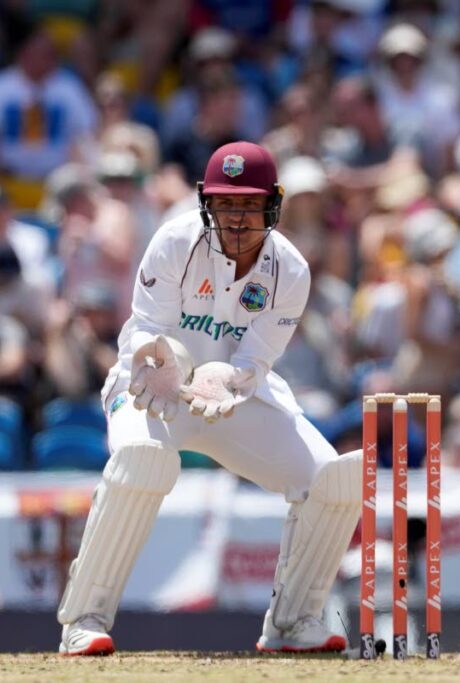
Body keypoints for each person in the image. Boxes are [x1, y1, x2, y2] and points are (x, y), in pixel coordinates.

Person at [56, 142, 362, 656]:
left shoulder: (290, 270)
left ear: (273, 204)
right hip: (152, 386)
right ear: (206, 204)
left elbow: (255, 360)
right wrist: (155, 359)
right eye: (225, 204)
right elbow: (144, 329)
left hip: (232, 395)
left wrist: (226, 377)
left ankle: (292, 624)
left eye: (248, 205)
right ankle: (83, 622)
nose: (236, 218)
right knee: (143, 460)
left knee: (332, 478)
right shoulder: (176, 240)